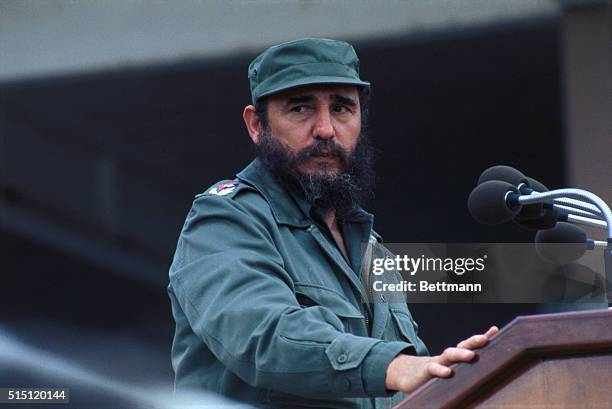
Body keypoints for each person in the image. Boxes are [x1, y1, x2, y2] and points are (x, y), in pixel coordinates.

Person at [168, 37, 497, 409]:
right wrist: (392, 364)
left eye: (341, 108)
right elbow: (260, 334)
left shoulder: (372, 249)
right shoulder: (225, 219)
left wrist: (458, 375)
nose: (325, 129)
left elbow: (410, 382)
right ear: (256, 125)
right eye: (300, 109)